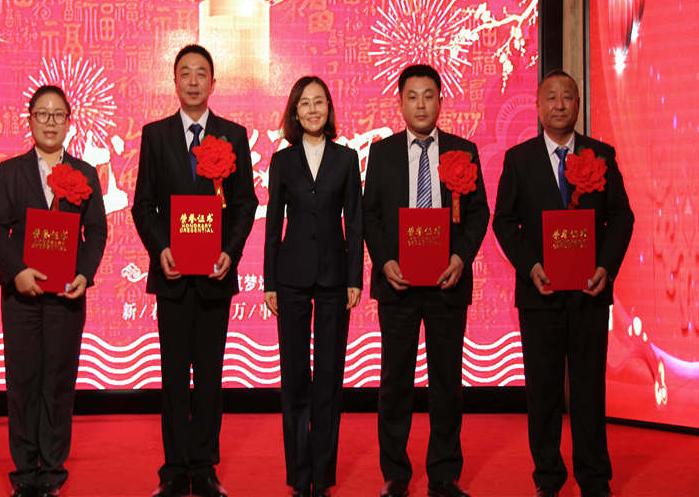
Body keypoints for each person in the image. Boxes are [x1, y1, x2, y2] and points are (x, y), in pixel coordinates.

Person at [492, 70, 634, 497]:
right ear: (537, 107)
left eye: (567, 97)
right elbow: (504, 221)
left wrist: (606, 267)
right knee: (544, 390)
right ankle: (548, 478)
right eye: (551, 97)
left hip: (589, 293)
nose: (559, 105)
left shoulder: (600, 155)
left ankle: (594, 478)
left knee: (589, 389)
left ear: (577, 105)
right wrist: (530, 266)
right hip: (540, 295)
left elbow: (622, 216)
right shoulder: (519, 159)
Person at [132, 44, 258, 497]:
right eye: (184, 72)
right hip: (171, 277)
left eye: (200, 73)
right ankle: (173, 470)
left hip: (214, 277)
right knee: (172, 377)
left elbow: (245, 204)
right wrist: (161, 249)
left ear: (213, 82)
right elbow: (143, 204)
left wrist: (230, 253)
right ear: (174, 81)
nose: (192, 81)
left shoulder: (233, 135)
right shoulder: (156, 135)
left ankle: (203, 468)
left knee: (208, 375)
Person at [363, 64, 489, 497]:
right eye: (412, 96)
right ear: (399, 103)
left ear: (440, 101)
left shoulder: (463, 151)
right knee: (394, 381)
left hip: (446, 283)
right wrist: (384, 261)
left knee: (447, 382)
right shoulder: (382, 153)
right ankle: (395, 474)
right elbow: (371, 215)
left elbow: (479, 213)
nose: (421, 105)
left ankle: (444, 475)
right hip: (397, 284)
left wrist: (460, 257)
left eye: (429, 95)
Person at [0, 85, 108, 497]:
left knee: (58, 380)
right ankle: (24, 473)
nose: (50, 122)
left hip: (66, 297)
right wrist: (17, 271)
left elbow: (96, 231)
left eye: (58, 115)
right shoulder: (11, 172)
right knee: (22, 380)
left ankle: (53, 471)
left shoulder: (85, 173)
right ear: (30, 120)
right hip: (21, 296)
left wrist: (85, 274)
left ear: (69, 122)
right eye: (42, 114)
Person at [263, 76, 364, 497]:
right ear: (294, 112)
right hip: (290, 279)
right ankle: (298, 475)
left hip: (334, 279)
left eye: (319, 102)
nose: (312, 110)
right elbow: (273, 225)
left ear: (329, 108)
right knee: (295, 378)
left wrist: (355, 278)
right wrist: (269, 281)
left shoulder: (347, 158)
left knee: (329, 376)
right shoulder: (282, 161)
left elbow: (354, 222)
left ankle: (321, 476)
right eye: (304, 103)